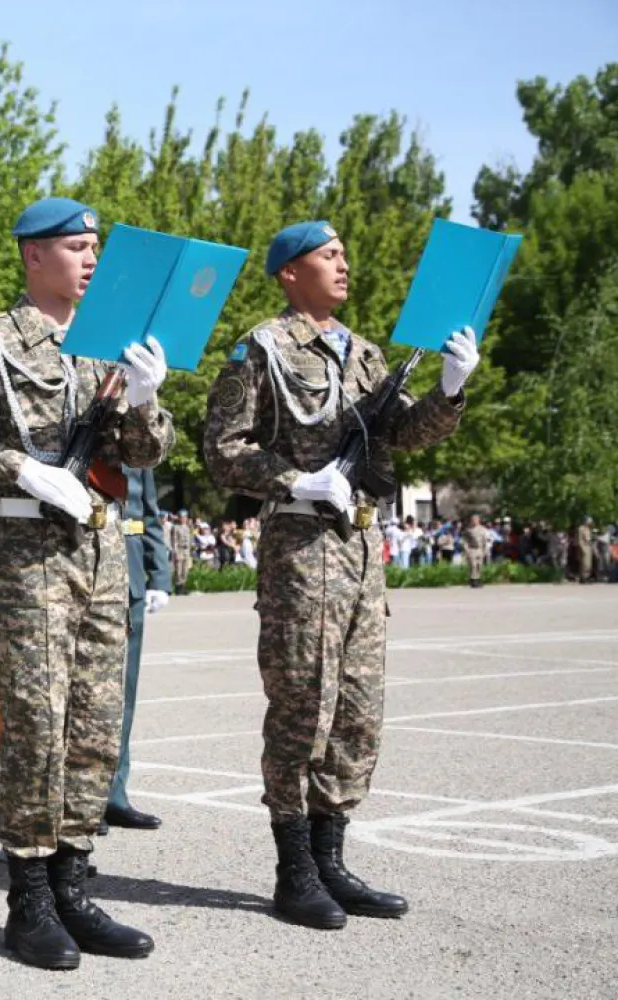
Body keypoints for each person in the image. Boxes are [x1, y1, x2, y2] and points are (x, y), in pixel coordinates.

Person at [0, 197, 172, 970]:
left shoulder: (107, 348)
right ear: (33, 255)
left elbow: (147, 454)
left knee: (94, 727)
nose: (92, 259)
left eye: (95, 247)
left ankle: (74, 887)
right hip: (29, 551)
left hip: (98, 552)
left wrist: (146, 397)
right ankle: (27, 903)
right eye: (76, 246)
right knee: (36, 724)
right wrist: (20, 466)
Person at [203, 220, 476, 930]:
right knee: (303, 711)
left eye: (344, 254)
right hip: (301, 553)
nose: (344, 265)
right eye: (329, 256)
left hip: (361, 555)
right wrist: (297, 480)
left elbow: (398, 435)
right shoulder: (260, 349)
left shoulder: (365, 352)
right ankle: (293, 871)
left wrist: (450, 391)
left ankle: (331, 858)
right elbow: (222, 451)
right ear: (290, 271)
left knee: (358, 715)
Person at [99, 464, 169, 832]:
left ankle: (114, 792)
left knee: (124, 696)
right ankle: (79, 798)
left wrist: (159, 573)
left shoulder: (136, 438)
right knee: (83, 698)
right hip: (90, 571)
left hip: (132, 579)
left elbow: (149, 513)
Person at [463, 513, 490, 588]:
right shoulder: (468, 530)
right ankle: (473, 580)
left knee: (479, 566)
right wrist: (466, 550)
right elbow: (465, 541)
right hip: (472, 549)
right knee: (473, 565)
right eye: (473, 520)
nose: (474, 521)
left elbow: (485, 540)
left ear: (478, 520)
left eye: (476, 520)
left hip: (480, 549)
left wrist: (485, 550)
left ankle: (478, 580)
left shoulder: (483, 529)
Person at [170, 510, 193, 593]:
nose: (183, 519)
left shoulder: (187, 527)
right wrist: (175, 552)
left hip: (186, 550)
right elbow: (174, 540)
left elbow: (190, 539)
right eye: (182, 517)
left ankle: (183, 585)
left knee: (185, 569)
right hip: (179, 549)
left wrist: (190, 551)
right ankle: (178, 586)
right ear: (179, 518)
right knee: (178, 569)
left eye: (185, 517)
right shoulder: (176, 527)